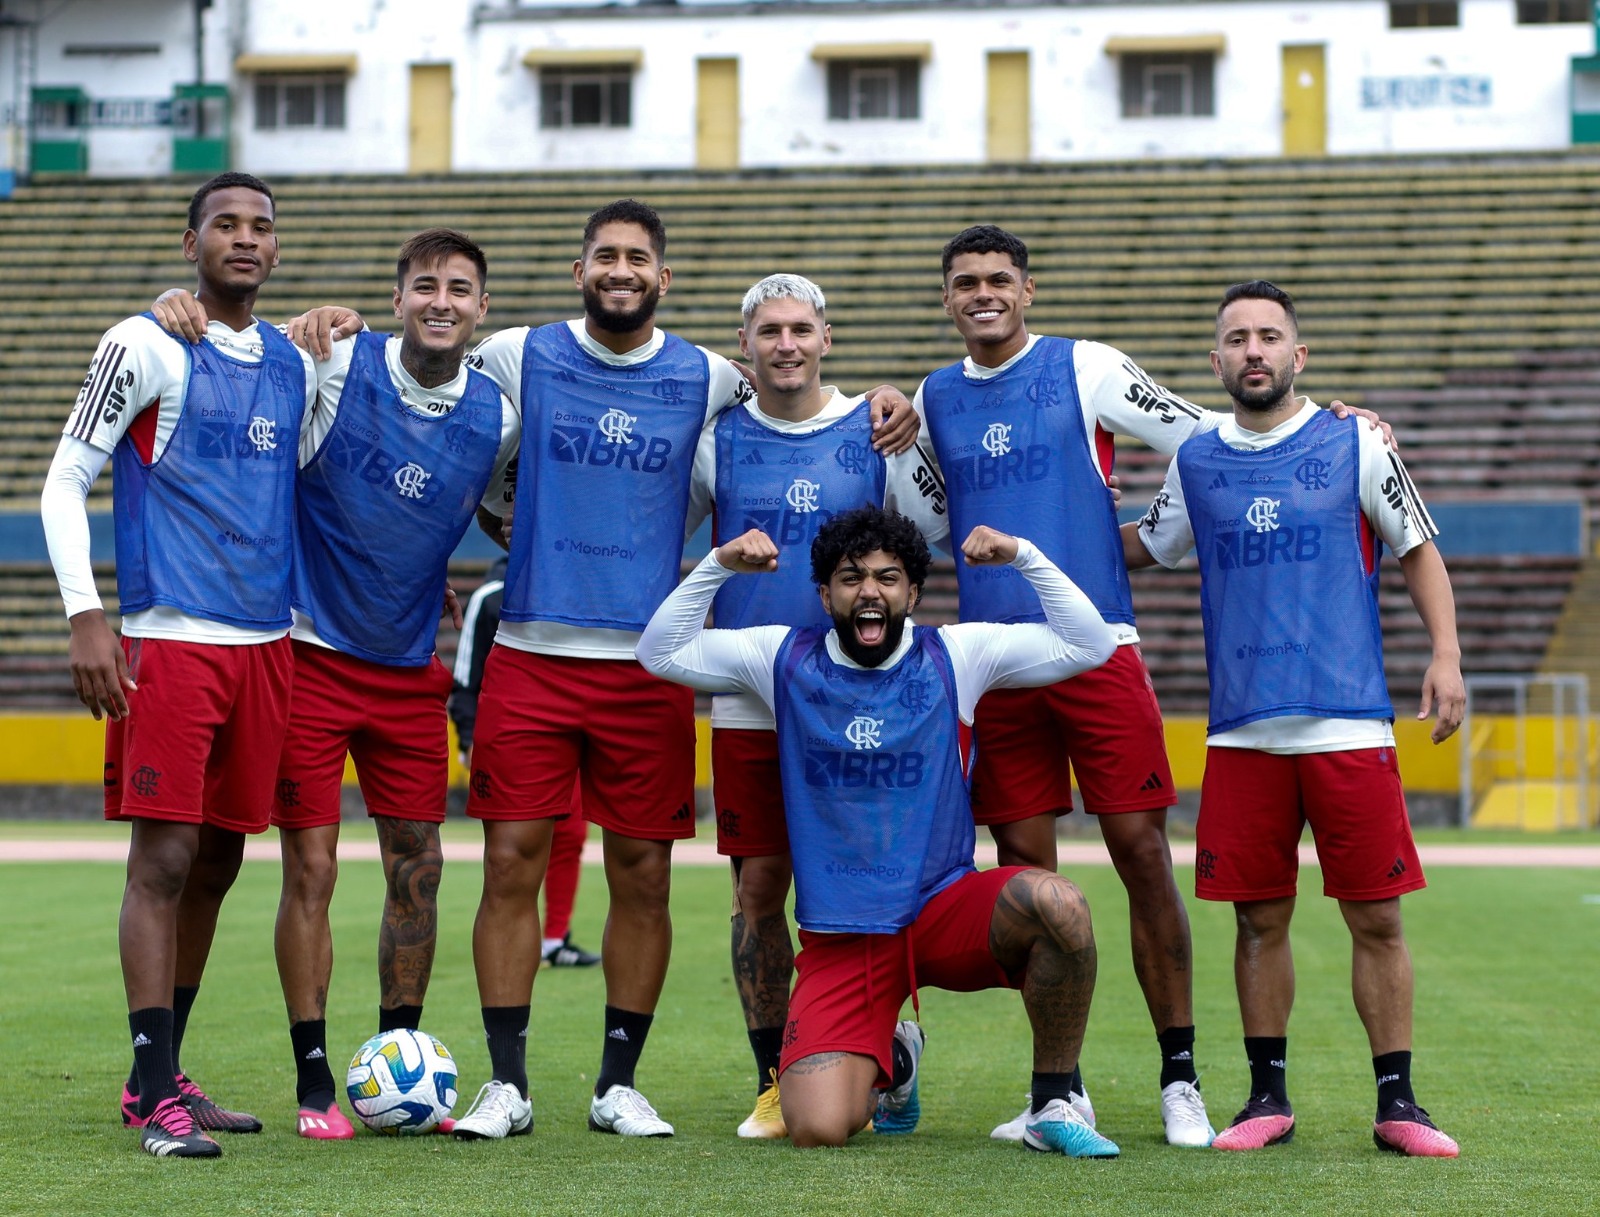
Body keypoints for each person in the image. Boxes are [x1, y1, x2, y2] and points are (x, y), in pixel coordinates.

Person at [453, 200, 920, 1140]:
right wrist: (328, 329)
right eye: (605, 255)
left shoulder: (710, 380)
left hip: (647, 663)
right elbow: (423, 380)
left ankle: (617, 1084)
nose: (621, 270)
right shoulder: (517, 352)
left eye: (638, 257)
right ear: (580, 269)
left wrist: (892, 398)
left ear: (663, 277)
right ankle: (507, 1083)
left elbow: (804, 400)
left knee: (645, 876)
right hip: (533, 651)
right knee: (508, 865)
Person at [913, 224, 1384, 1147]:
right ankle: (1061, 1089)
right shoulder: (933, 397)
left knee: (1140, 854)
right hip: (994, 662)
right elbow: (925, 508)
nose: (983, 293)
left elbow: (1210, 430)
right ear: (947, 298)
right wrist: (886, 408)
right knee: (1027, 877)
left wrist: (1330, 423)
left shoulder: (1086, 366)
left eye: (999, 278)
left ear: (1027, 289)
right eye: (966, 281)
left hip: (1098, 647)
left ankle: (1181, 1077)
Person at [638, 505, 1121, 1154]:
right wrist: (719, 564)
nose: (870, 590)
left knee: (1059, 903)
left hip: (941, 909)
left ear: (912, 593)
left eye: (888, 577)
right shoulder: (781, 656)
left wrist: (1024, 556)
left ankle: (1052, 1100)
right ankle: (896, 1059)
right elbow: (659, 650)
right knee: (817, 1128)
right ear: (825, 595)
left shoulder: (956, 654)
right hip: (844, 936)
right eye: (851, 577)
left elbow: (1091, 644)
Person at [1121, 280, 1462, 1157]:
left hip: (1350, 725)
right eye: (1237, 338)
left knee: (1377, 920)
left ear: (1298, 354)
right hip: (1242, 732)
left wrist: (1446, 654)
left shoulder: (1357, 441)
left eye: (1269, 336)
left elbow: (1417, 546)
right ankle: (1265, 1099)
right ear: (1216, 360)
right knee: (1256, 921)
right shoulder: (1196, 459)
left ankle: (1399, 1103)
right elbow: (1144, 545)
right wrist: (1034, 531)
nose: (1254, 350)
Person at [40, 172, 318, 1158]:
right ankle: (156, 1092)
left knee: (220, 859)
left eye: (261, 227)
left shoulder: (292, 362)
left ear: (276, 247)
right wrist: (87, 614)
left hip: (266, 644)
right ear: (190, 240)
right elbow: (66, 480)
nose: (245, 239)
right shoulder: (143, 341)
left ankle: (156, 1076)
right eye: (224, 225)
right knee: (162, 859)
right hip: (172, 638)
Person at [686, 273, 947, 1138]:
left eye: (801, 328)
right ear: (745, 344)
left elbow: (931, 533)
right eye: (769, 330)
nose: (786, 344)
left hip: (862, 698)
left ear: (826, 338)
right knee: (758, 889)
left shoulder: (877, 431)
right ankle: (773, 1076)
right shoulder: (717, 441)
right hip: (753, 696)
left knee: (877, 885)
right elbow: (656, 520)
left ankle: (888, 1045)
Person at [450, 556, 600, 970]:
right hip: (510, 727)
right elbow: (467, 671)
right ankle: (511, 936)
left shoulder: (569, 580)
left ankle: (553, 939)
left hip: (566, 727)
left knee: (570, 834)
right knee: (511, 846)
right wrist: (467, 735)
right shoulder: (491, 595)